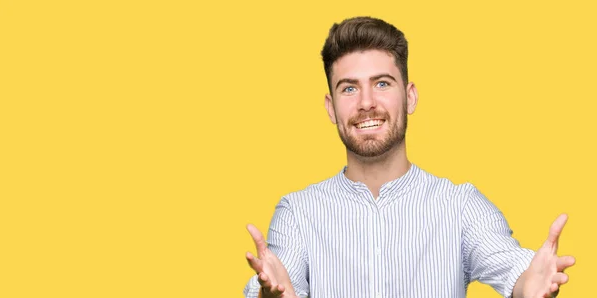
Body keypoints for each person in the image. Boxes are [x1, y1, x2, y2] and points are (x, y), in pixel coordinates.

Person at [243, 16, 575, 298]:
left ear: (410, 97)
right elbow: (280, 283)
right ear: (331, 108)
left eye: (382, 83)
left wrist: (528, 284)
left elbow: (513, 267)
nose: (366, 102)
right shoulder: (297, 213)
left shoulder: (459, 206)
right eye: (349, 88)